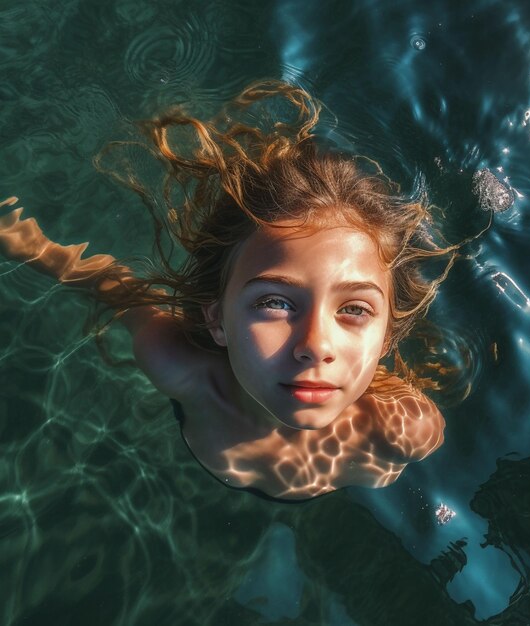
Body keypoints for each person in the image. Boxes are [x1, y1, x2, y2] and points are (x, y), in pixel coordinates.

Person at [0, 81, 454, 501]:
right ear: (216, 320)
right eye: (275, 302)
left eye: (355, 308)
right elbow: (114, 285)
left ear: (389, 336)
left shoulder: (407, 431)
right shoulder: (177, 366)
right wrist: (33, 248)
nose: (316, 346)